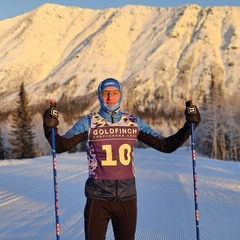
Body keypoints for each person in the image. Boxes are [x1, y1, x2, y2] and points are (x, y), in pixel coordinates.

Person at [43, 78, 201, 240]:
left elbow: (165, 145)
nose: (110, 97)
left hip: (127, 198)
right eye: (105, 93)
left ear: (121, 95)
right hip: (98, 198)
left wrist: (189, 127)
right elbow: (61, 145)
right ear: (99, 96)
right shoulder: (89, 123)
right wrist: (49, 129)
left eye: (115, 93)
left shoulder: (133, 122)